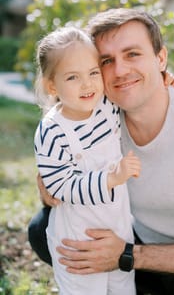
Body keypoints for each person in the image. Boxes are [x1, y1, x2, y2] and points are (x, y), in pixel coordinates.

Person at [29, 7, 174, 295]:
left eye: (133, 54)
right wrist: (50, 185)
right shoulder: (104, 113)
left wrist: (125, 255)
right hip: (135, 238)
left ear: (160, 59)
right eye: (106, 61)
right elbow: (61, 143)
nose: (120, 71)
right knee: (43, 227)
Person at [33, 25, 141, 295]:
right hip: (78, 237)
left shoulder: (105, 105)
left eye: (93, 73)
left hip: (118, 224)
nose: (87, 84)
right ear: (51, 86)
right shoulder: (53, 131)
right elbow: (59, 186)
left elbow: (137, 92)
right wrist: (110, 179)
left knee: (123, 288)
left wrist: (164, 78)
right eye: (72, 77)